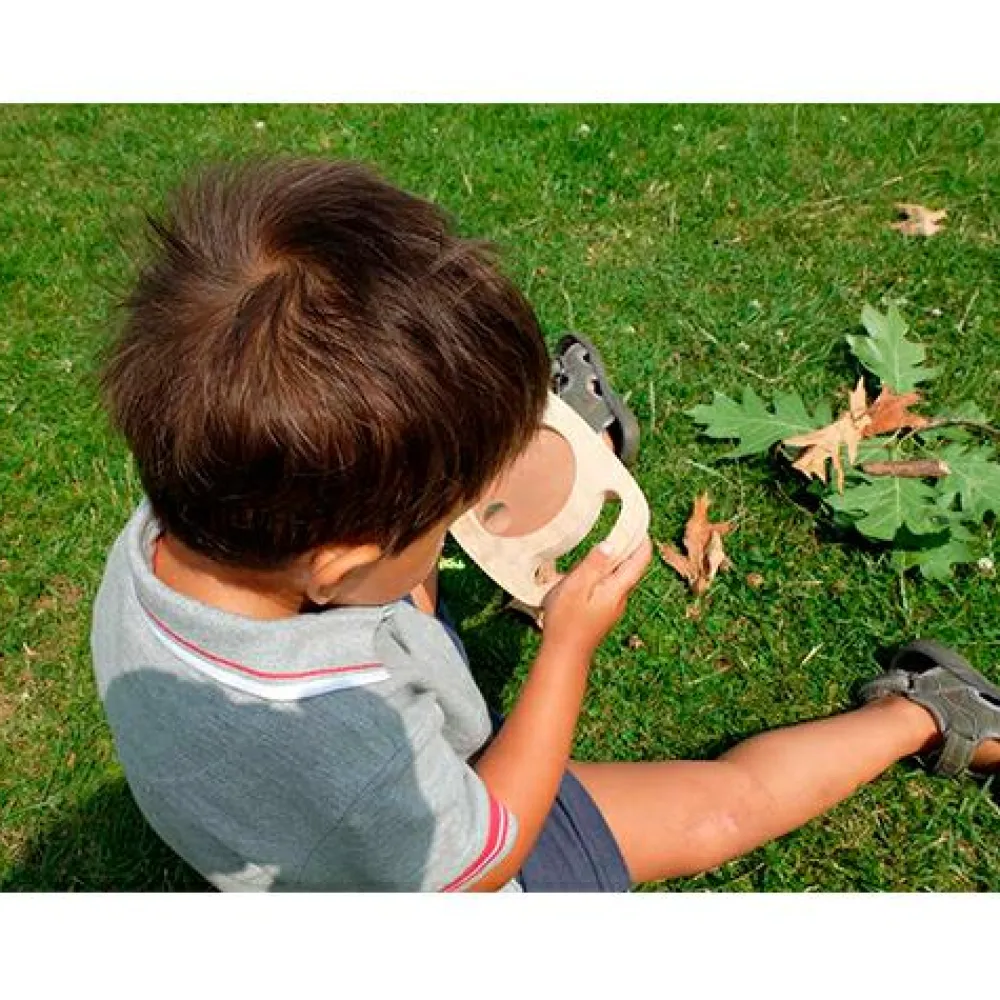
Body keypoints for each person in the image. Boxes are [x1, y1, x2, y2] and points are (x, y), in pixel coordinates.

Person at [91, 158, 1000, 892]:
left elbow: (362, 567)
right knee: (722, 806)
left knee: (392, 511)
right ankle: (930, 713)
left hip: (295, 761)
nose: (455, 524)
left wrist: (421, 498)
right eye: (455, 506)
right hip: (437, 864)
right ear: (339, 564)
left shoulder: (186, 523)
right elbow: (481, 862)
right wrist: (567, 645)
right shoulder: (356, 740)